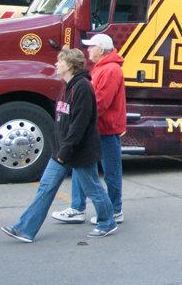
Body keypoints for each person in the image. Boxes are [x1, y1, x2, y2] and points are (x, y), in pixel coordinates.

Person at [1, 47, 117, 242]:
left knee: (93, 188)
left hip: (79, 151)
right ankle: (25, 229)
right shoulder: (66, 86)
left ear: (70, 65)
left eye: (60, 61)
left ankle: (107, 222)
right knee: (46, 188)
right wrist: (58, 148)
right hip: (63, 150)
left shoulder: (82, 87)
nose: (56, 64)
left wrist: (65, 150)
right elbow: (61, 121)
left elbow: (79, 125)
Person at [52, 33, 126, 226]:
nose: (88, 51)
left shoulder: (109, 70)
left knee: (109, 171)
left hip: (105, 129)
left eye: (91, 47)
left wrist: (82, 121)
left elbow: (99, 103)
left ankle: (113, 209)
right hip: (97, 128)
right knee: (83, 167)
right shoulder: (102, 68)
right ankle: (79, 207)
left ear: (101, 50)